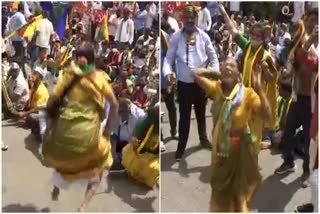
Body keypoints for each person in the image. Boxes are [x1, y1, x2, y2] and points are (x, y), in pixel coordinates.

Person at [42, 41, 118, 212]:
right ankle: (83, 206)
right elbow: (114, 106)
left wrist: (49, 129)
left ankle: (57, 186)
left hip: (64, 133)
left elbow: (53, 101)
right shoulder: (102, 80)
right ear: (94, 61)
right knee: (100, 167)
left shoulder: (68, 75)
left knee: (61, 152)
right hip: (89, 138)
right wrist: (107, 133)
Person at [194, 57, 271, 212]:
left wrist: (260, 90)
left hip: (240, 154)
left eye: (232, 66)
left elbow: (267, 116)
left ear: (239, 74)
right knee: (219, 198)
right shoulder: (216, 89)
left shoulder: (248, 94)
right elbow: (196, 75)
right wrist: (219, 73)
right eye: (225, 65)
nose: (228, 67)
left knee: (239, 200)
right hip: (220, 154)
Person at [163, 4, 220, 161]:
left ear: (195, 18)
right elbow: (168, 59)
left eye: (191, 18)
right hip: (184, 83)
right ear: (183, 19)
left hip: (201, 83)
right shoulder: (176, 37)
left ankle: (203, 139)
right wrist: (168, 73)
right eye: (186, 17)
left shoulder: (204, 36)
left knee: (201, 113)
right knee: (185, 117)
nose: (189, 20)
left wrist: (212, 75)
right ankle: (181, 147)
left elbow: (213, 57)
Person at [219, 4, 278, 154]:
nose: (254, 38)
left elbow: (272, 79)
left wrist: (265, 70)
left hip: (257, 99)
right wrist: (224, 12)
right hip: (242, 95)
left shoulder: (266, 56)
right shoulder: (246, 46)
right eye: (252, 35)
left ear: (262, 38)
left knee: (254, 134)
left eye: (258, 36)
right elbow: (233, 30)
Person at [275, 9, 318, 181]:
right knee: (287, 132)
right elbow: (292, 65)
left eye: (317, 20)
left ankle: (307, 171)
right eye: (310, 19)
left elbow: (312, 62)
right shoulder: (298, 43)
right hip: (296, 97)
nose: (313, 23)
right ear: (305, 21)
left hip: (313, 102)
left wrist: (313, 41)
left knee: (309, 140)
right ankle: (288, 162)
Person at [122, 103, 159, 188]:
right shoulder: (145, 120)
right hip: (138, 149)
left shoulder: (157, 123)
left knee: (153, 169)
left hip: (151, 151)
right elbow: (134, 140)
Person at [111, 98, 146, 171]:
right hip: (122, 142)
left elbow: (142, 137)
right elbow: (112, 135)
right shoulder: (115, 114)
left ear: (129, 111)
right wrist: (113, 154)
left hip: (137, 143)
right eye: (119, 112)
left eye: (123, 112)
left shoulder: (140, 116)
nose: (120, 114)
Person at [18, 66, 49, 141]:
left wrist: (25, 113)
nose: (32, 75)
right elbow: (31, 98)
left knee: (32, 116)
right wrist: (25, 107)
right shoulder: (34, 85)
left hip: (43, 112)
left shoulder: (42, 91)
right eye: (33, 73)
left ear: (40, 77)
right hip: (35, 108)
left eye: (35, 74)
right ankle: (29, 124)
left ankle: (39, 136)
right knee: (26, 112)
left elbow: (38, 109)